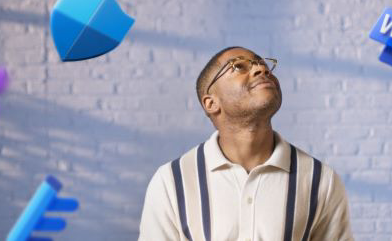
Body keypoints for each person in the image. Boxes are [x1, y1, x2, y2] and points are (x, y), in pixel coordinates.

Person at [139, 46, 354, 241]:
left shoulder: (320, 180)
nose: (261, 69)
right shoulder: (171, 181)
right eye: (238, 66)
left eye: (263, 64)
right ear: (211, 103)